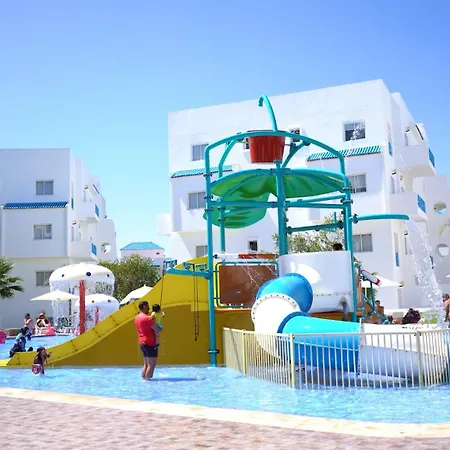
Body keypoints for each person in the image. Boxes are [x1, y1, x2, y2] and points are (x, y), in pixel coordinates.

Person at [135, 300, 161, 380]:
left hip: (142, 343)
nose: (149, 308)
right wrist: (159, 323)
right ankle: (148, 382)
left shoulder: (137, 317)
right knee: (151, 365)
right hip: (150, 343)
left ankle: (144, 379)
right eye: (147, 307)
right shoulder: (147, 318)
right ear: (144, 307)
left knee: (146, 364)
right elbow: (158, 329)